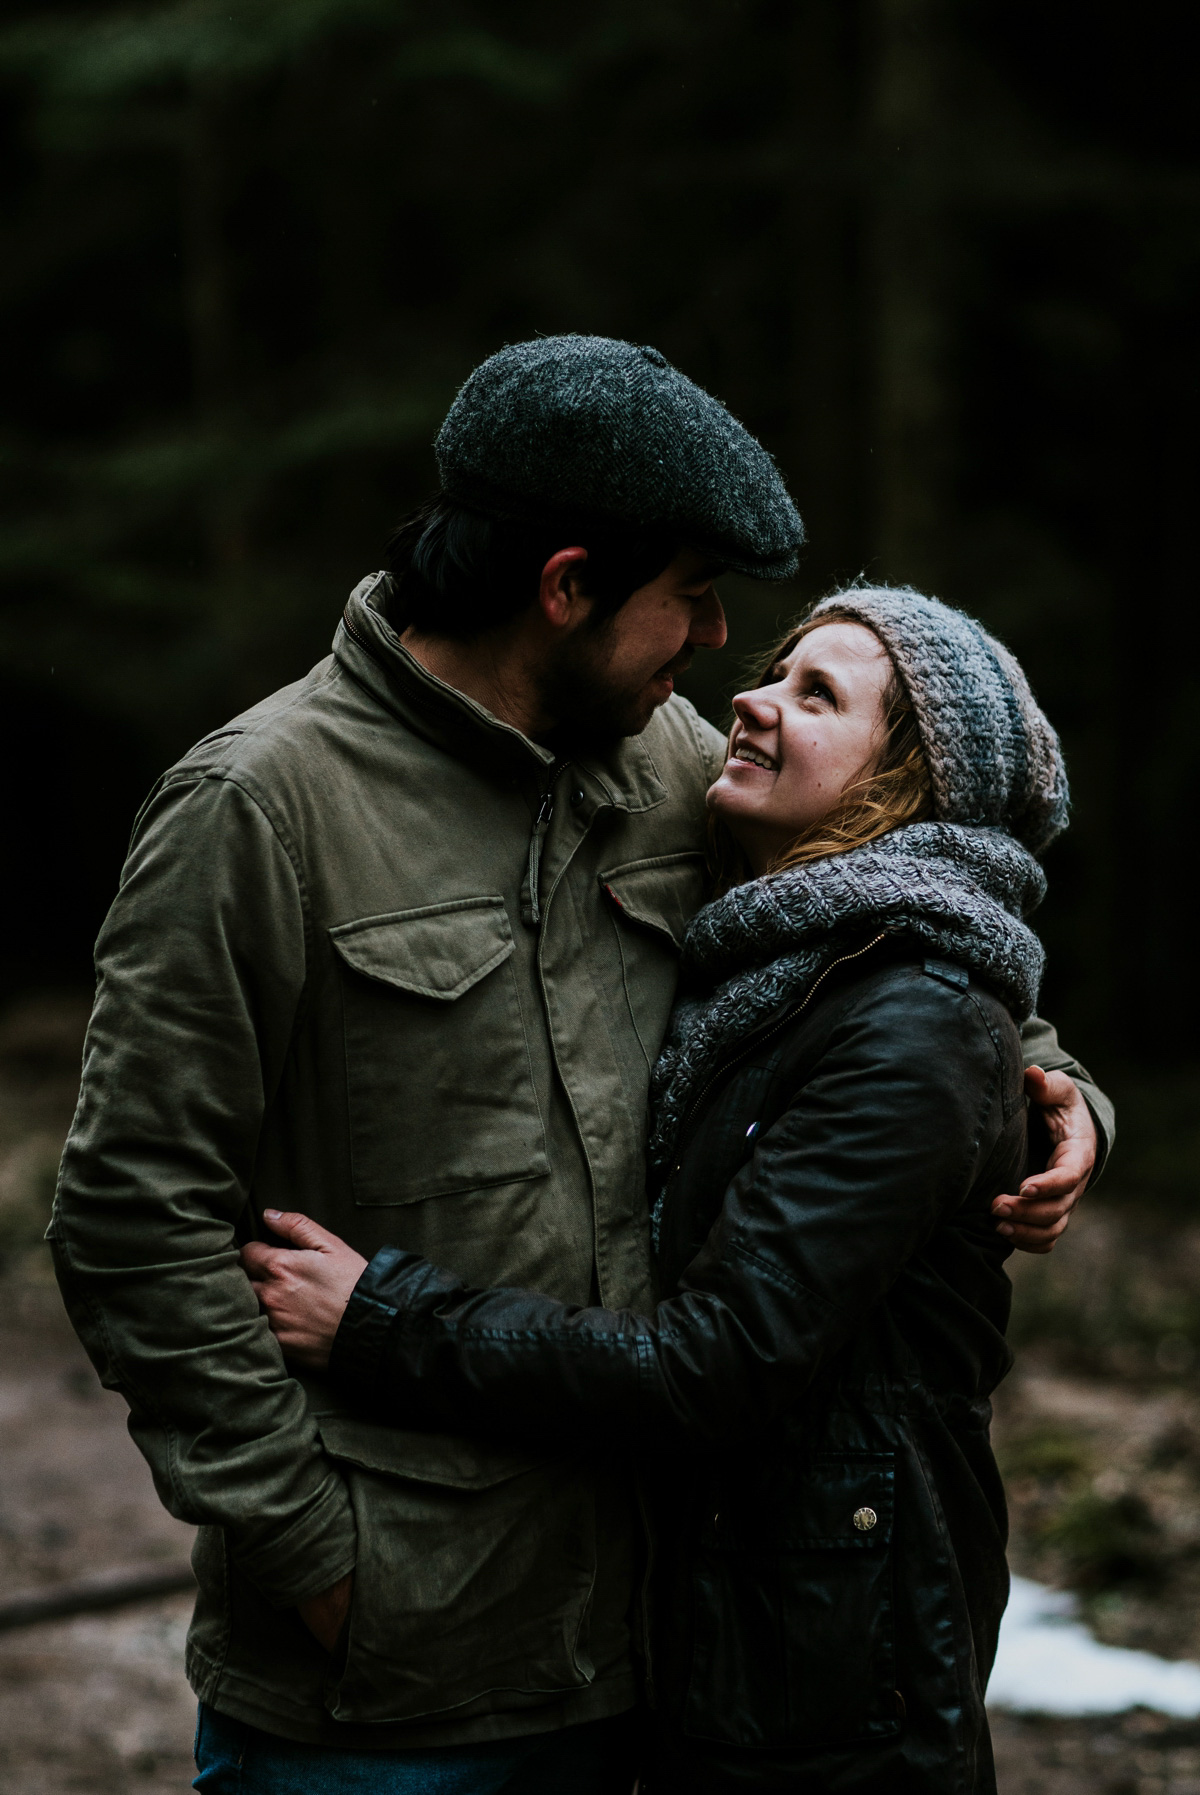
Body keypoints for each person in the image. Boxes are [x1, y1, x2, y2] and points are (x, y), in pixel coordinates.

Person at [50, 332, 1106, 1795]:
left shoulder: (666, 766)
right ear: (564, 587)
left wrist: (1066, 1096)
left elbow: (908, 921)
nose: (717, 646)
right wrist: (309, 1550)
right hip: (389, 1686)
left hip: (658, 1656)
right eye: (686, 597)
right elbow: (128, 1213)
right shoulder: (258, 807)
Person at [247, 586, 1096, 1793]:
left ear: (905, 786)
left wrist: (383, 1320)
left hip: (834, 1682)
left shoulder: (911, 1019)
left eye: (819, 696)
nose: (749, 699)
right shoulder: (780, 949)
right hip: (742, 1623)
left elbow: (718, 1358)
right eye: (780, 670)